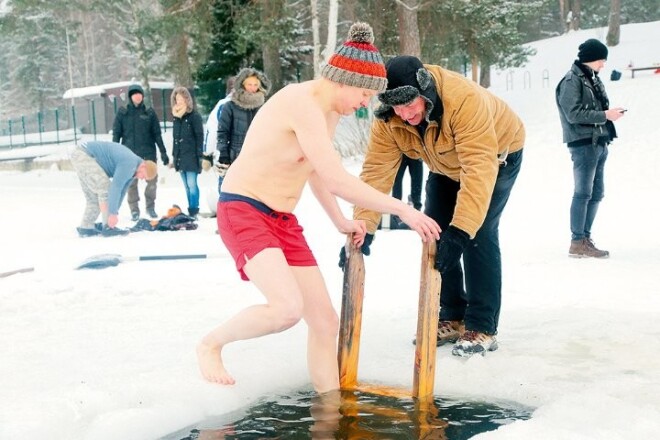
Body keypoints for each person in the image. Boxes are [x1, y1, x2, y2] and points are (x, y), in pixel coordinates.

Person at [196, 22, 441, 394]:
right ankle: (211, 344)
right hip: (243, 209)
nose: (365, 103)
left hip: (281, 218)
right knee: (286, 309)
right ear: (342, 80)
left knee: (325, 322)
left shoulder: (328, 113)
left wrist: (340, 219)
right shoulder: (302, 103)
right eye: (363, 93)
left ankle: (329, 416)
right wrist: (402, 209)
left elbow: (315, 173)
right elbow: (339, 179)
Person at [349, 55, 525, 357]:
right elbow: (376, 172)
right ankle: (453, 315)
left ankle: (482, 325)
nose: (405, 114)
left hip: (496, 156)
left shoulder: (463, 100)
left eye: (410, 105)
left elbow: (479, 168)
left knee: (476, 233)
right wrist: (365, 227)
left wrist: (461, 229)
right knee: (435, 232)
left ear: (425, 91)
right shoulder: (390, 120)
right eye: (397, 107)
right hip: (445, 165)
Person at [556, 38, 625, 258]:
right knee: (583, 193)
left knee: (596, 193)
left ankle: (584, 237)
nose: (603, 64)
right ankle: (577, 241)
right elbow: (572, 114)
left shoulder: (591, 79)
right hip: (584, 144)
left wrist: (609, 116)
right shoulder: (571, 80)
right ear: (591, 58)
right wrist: (605, 115)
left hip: (599, 141)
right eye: (601, 60)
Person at [70, 140, 158, 237]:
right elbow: (115, 188)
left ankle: (86, 227)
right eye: (143, 176)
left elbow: (122, 192)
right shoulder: (130, 163)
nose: (141, 178)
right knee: (105, 189)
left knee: (94, 198)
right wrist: (112, 214)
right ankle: (107, 227)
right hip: (83, 155)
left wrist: (114, 212)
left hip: (80, 155)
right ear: (143, 166)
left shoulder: (133, 169)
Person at [112, 84, 170, 220]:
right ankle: (134, 209)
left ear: (142, 96)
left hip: (148, 154)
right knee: (131, 183)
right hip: (129, 155)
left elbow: (157, 134)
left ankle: (150, 207)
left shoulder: (149, 113)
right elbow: (116, 134)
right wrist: (115, 154)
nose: (137, 96)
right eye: (134, 94)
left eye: (139, 94)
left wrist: (163, 152)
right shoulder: (122, 113)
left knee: (151, 182)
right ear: (130, 97)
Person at [215, 67, 271, 192]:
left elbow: (268, 132)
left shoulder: (264, 107)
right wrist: (224, 153)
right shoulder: (230, 106)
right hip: (234, 155)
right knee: (232, 191)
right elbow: (223, 132)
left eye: (255, 84)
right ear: (242, 84)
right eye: (249, 84)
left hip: (257, 155)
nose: (252, 87)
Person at [170, 86, 204, 219]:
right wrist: (174, 156)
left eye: (181, 98)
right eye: (176, 98)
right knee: (186, 186)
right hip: (180, 156)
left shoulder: (194, 116)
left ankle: (194, 209)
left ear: (187, 99)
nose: (179, 101)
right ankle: (190, 208)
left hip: (191, 156)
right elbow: (175, 139)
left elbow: (199, 136)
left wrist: (199, 155)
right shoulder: (176, 117)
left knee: (192, 184)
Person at [388, 155, 424, 229]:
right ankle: (396, 211)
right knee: (397, 180)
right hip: (400, 152)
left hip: (416, 152)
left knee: (417, 181)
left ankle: (416, 208)